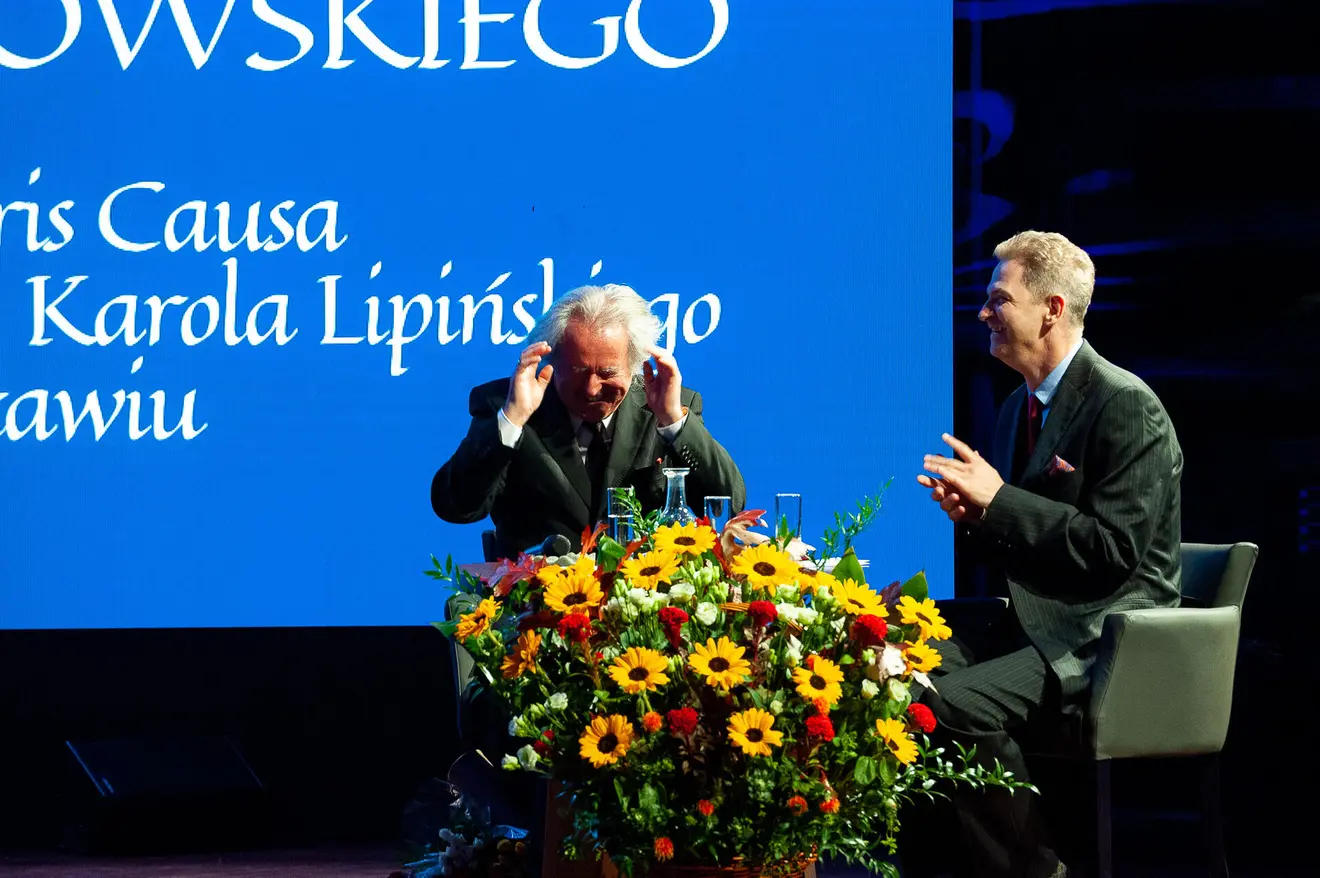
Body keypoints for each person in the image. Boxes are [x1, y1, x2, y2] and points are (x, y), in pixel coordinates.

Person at [914, 231, 1183, 878]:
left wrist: (1000, 500)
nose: (983, 312)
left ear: (1052, 310)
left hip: (1102, 631)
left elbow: (1113, 551)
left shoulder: (1126, 405)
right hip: (1040, 616)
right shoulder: (1018, 406)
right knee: (902, 670)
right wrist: (976, 516)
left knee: (951, 704)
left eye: (999, 299)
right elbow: (1026, 541)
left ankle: (1038, 869)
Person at [432, 283, 746, 559]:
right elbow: (456, 506)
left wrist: (674, 421)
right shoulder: (506, 403)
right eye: (578, 371)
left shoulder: (668, 405)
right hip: (536, 598)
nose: (592, 388)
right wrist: (513, 419)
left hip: (644, 595)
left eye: (607, 373)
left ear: (635, 364)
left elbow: (729, 506)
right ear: (550, 360)